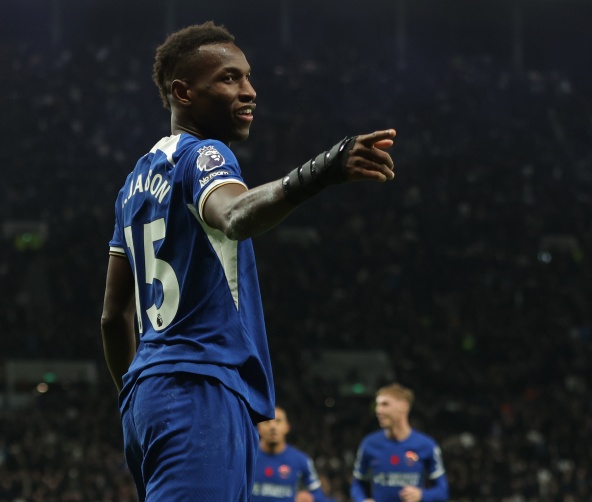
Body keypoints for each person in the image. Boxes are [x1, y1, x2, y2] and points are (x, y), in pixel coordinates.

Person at [99, 21, 398, 501]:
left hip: (150, 396)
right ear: (183, 92)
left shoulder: (132, 185)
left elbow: (114, 317)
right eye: (229, 78)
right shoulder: (204, 155)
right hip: (199, 387)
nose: (249, 91)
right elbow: (235, 215)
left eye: (247, 77)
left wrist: (136, 397)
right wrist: (322, 170)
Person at [351, 384, 449, 502]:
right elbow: (356, 484)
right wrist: (362, 500)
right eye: (377, 404)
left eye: (385, 404)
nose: (378, 410)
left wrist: (422, 495)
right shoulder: (369, 444)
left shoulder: (426, 445)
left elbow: (443, 491)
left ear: (404, 406)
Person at [253, 406, 327, 502]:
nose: (272, 426)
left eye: (278, 421)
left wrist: (310, 497)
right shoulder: (247, 458)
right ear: (259, 428)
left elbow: (318, 494)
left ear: (287, 427)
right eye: (267, 422)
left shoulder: (301, 460)